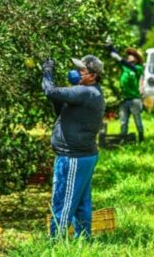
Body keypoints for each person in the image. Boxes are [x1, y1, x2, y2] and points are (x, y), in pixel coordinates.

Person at [42, 55, 105, 238]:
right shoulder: (90, 93)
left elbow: (50, 92)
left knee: (63, 202)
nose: (76, 73)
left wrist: (47, 71)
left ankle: (56, 242)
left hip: (74, 158)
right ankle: (84, 239)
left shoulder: (86, 93)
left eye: (81, 71)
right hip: (83, 156)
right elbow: (62, 111)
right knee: (81, 203)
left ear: (93, 76)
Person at [106, 45, 145, 142]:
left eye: (132, 55)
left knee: (137, 120)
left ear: (136, 58)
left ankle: (141, 138)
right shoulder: (124, 67)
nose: (130, 57)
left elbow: (128, 65)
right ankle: (123, 138)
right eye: (129, 55)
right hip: (124, 98)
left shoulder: (138, 68)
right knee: (123, 121)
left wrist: (120, 59)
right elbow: (119, 59)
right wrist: (111, 48)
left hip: (134, 98)